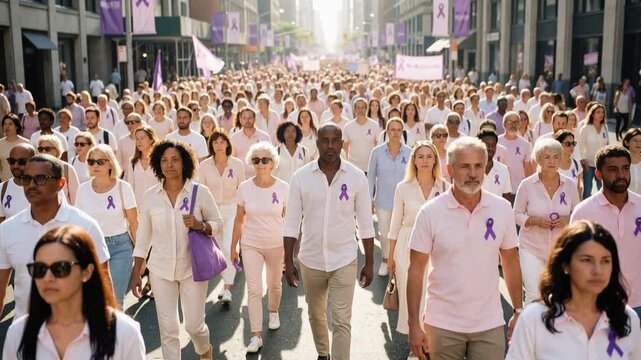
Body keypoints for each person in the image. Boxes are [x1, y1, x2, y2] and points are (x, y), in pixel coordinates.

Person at [407, 137, 523, 360]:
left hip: (489, 323)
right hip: (441, 323)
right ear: (450, 169)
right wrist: (413, 323)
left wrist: (518, 310)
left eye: (478, 166)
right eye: (465, 167)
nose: (473, 173)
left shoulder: (502, 209)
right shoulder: (430, 212)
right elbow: (415, 270)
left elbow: (510, 261)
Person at [284, 123, 375, 360]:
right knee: (315, 314)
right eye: (325, 140)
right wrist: (288, 260)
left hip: (344, 258)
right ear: (317, 143)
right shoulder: (301, 177)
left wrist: (369, 262)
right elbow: (291, 222)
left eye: (336, 140)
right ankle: (323, 353)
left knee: (342, 320)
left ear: (343, 143)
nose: (331, 145)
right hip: (310, 259)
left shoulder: (356, 178)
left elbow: (366, 223)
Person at [131, 139, 222, 360]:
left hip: (193, 269)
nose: (169, 164)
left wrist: (200, 225)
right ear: (157, 164)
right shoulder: (150, 196)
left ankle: (205, 350)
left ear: (185, 163)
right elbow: (143, 238)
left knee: (194, 326)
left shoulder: (199, 192)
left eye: (174, 160)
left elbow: (218, 224)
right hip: (160, 270)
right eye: (164, 160)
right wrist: (136, 273)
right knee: (168, 329)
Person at [2, 226, 146, 359]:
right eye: (40, 269)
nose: (48, 277)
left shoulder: (125, 333)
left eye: (60, 268)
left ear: (87, 271)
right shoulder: (18, 333)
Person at [506, 220, 641, 359]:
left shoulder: (628, 318)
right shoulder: (534, 319)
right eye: (587, 260)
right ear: (565, 265)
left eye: (605, 261)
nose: (598, 270)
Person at [0, 154, 110, 319]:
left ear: (61, 184)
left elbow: (103, 284)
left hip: (78, 334)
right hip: (27, 335)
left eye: (41, 179)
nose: (31, 185)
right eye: (27, 179)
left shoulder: (85, 225)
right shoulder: (7, 229)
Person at [387, 141, 448, 354]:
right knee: (412, 296)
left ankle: (429, 343)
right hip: (407, 244)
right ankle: (415, 348)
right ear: (413, 160)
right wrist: (390, 256)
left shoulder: (445, 187)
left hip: (436, 248)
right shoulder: (403, 188)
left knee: (431, 296)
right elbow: (394, 224)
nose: (424, 160)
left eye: (429, 156)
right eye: (420, 156)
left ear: (435, 160)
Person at [570, 145, 641, 318]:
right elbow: (572, 260)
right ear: (598, 174)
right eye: (613, 170)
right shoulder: (583, 212)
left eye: (625, 168)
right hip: (598, 304)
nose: (621, 175)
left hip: (639, 302)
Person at [230, 142, 288, 353]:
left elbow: (289, 220)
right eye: (256, 160)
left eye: (265, 160)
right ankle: (256, 335)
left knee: (274, 285)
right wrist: (233, 246)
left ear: (272, 163)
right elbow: (239, 220)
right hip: (251, 243)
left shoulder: (283, 187)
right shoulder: (244, 188)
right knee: (254, 289)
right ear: (251, 163)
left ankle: (273, 311)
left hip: (276, 243)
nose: (261, 164)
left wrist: (290, 252)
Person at [514, 138, 580, 304]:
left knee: (558, 295)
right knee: (533, 295)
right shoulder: (526, 185)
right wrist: (533, 221)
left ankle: (552, 328)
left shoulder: (570, 185)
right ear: (538, 158)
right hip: (531, 248)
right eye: (547, 157)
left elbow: (578, 214)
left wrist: (568, 219)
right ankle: (530, 329)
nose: (552, 161)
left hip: (560, 250)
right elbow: (516, 214)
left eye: (556, 157)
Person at [75, 145, 138, 307]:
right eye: (91, 161)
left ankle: (116, 332)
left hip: (120, 248)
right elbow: (79, 225)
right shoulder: (83, 190)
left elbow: (134, 223)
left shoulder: (123, 187)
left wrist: (140, 256)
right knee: (93, 300)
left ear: (110, 163)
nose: (95, 165)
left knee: (115, 300)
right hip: (92, 249)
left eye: (100, 161)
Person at [198, 129, 244, 304]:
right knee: (216, 251)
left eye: (222, 141)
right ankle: (223, 281)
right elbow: (201, 191)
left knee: (228, 247)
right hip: (212, 213)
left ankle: (227, 288)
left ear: (227, 144)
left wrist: (242, 213)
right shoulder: (204, 166)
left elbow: (242, 190)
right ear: (211, 145)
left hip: (232, 210)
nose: (219, 145)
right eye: (215, 142)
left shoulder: (237, 164)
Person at [368, 118, 412, 277]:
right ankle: (385, 261)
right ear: (387, 132)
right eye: (392, 130)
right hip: (383, 201)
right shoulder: (377, 152)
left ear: (402, 132)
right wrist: (369, 199)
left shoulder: (409, 152)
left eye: (398, 130)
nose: (395, 133)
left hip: (404, 202)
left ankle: (399, 263)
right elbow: (371, 177)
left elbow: (413, 177)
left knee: (401, 234)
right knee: (385, 233)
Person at [37, 135, 79, 205]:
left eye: (47, 149)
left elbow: (76, 200)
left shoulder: (67, 169)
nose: (43, 152)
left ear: (56, 151)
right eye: (40, 149)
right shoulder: (35, 170)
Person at [230, 107, 272, 178]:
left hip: (260, 177)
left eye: (250, 117)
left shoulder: (264, 137)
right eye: (244, 118)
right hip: (240, 178)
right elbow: (231, 160)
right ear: (240, 120)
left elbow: (270, 159)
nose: (247, 120)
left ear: (255, 119)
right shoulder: (233, 138)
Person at [578, 104, 609, 198]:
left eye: (602, 112)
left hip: (602, 164)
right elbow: (580, 145)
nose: (601, 114)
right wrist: (583, 160)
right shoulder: (585, 128)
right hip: (589, 164)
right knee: (587, 190)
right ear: (592, 114)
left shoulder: (605, 127)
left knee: (603, 189)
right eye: (598, 112)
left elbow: (607, 145)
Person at [0, 143, 36, 222]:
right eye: (12, 161)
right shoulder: (2, 188)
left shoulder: (45, 187)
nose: (15, 166)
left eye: (22, 161)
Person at [126, 126, 161, 205]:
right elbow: (131, 188)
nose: (139, 141)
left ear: (151, 140)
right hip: (139, 208)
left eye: (142, 138)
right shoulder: (132, 162)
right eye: (137, 139)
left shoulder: (159, 161)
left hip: (157, 206)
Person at [478, 129, 512, 202]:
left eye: (493, 145)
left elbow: (506, 199)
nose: (490, 148)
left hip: (497, 213)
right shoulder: (471, 169)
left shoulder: (503, 170)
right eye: (487, 144)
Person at [0, 114, 30, 182]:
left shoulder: (26, 143)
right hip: (5, 182)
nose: (7, 127)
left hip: (24, 182)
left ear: (16, 126)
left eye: (10, 124)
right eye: (5, 124)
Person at [555, 130, 584, 197]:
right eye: (568, 144)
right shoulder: (552, 164)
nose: (572, 146)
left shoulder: (576, 164)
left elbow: (580, 187)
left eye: (573, 143)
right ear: (558, 144)